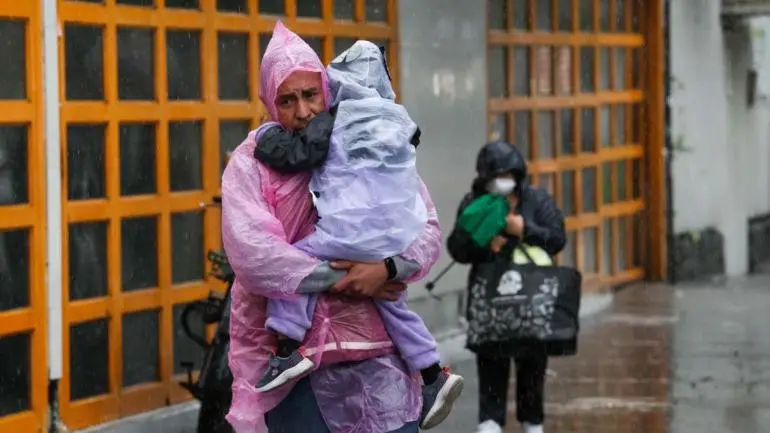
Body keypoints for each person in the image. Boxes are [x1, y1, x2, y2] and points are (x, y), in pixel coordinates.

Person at [222, 22, 442, 433]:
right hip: (289, 365)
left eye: (310, 95)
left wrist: (386, 270)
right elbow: (253, 254)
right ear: (270, 101)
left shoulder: (366, 142)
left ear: (328, 90)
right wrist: (345, 278)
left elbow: (425, 230)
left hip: (379, 359)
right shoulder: (253, 162)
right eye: (287, 100)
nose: (303, 111)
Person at [447, 141, 567, 433]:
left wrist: (524, 230)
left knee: (532, 363)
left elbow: (557, 237)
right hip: (490, 299)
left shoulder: (536, 201)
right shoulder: (474, 204)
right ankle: (490, 422)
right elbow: (457, 248)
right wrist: (486, 247)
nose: (502, 180)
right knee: (491, 360)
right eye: (495, 175)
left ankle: (532, 422)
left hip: (531, 298)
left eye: (507, 174)